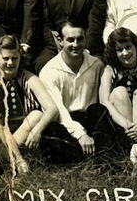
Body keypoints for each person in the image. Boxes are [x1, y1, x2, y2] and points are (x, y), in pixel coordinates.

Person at [0, 34, 59, 177]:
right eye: (5, 58)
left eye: (14, 58)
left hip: (25, 136)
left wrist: (37, 130)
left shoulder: (29, 78)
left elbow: (52, 108)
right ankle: (18, 161)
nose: (10, 63)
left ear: (20, 58)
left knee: (36, 115)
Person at [37, 19, 113, 164]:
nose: (76, 45)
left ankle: (104, 161)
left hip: (90, 121)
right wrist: (80, 135)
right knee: (51, 129)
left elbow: (103, 100)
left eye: (80, 39)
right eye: (70, 40)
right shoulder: (49, 71)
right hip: (66, 123)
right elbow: (59, 111)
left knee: (98, 110)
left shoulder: (96, 65)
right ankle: (79, 161)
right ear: (60, 41)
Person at [99, 26, 137, 165]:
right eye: (119, 50)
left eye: (128, 47)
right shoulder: (109, 71)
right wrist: (128, 126)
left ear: (136, 47)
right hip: (121, 127)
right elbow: (104, 101)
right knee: (119, 92)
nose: (125, 53)